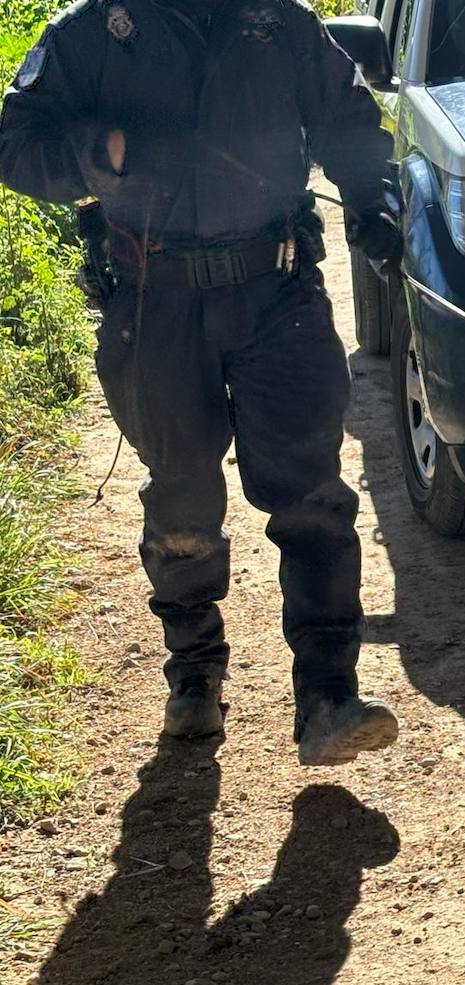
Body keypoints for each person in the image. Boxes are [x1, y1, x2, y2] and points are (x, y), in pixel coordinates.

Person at [0, 0, 404, 764]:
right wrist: (101, 152)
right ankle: (194, 676)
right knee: (181, 492)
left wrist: (372, 200)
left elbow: (349, 121)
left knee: (311, 495)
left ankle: (328, 696)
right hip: (155, 304)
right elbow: (15, 143)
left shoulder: (279, 24)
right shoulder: (89, 32)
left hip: (277, 293)